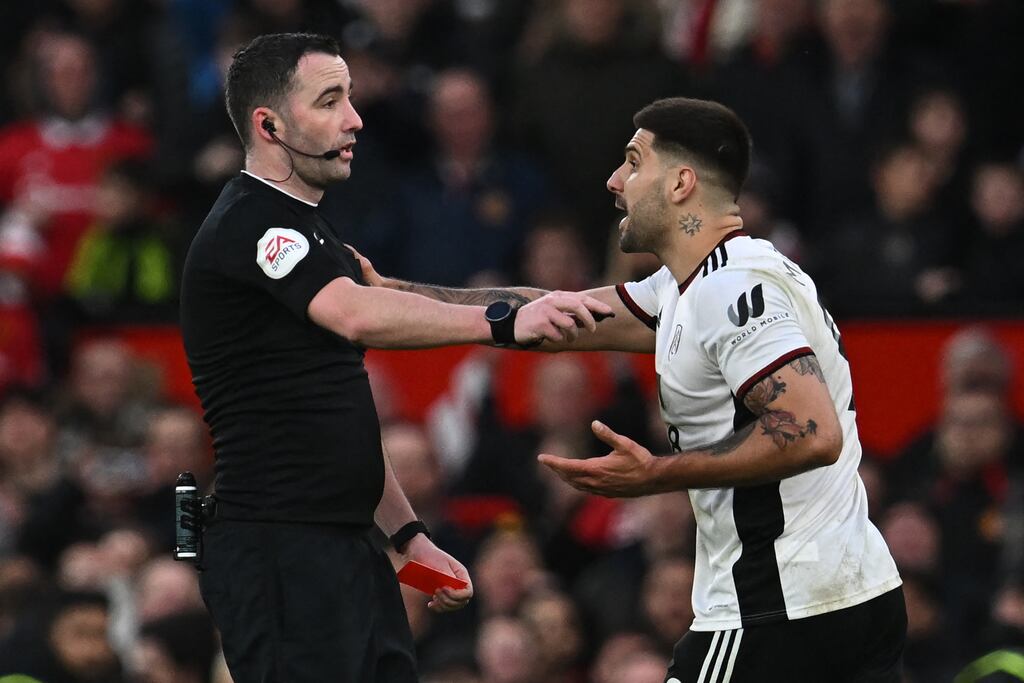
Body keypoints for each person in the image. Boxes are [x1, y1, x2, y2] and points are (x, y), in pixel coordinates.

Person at [357, 97, 906, 681]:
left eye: (633, 161)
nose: (615, 180)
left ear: (681, 183)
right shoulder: (687, 288)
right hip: (846, 593)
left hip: (780, 606)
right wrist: (397, 294)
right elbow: (548, 315)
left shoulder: (731, 287)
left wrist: (656, 475)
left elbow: (811, 432)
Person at [178, 33, 610, 683]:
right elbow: (357, 312)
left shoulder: (317, 237)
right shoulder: (252, 224)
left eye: (351, 97)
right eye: (330, 100)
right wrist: (501, 323)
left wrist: (408, 537)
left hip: (348, 548)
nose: (354, 118)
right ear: (269, 124)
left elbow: (339, 413)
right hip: (280, 551)